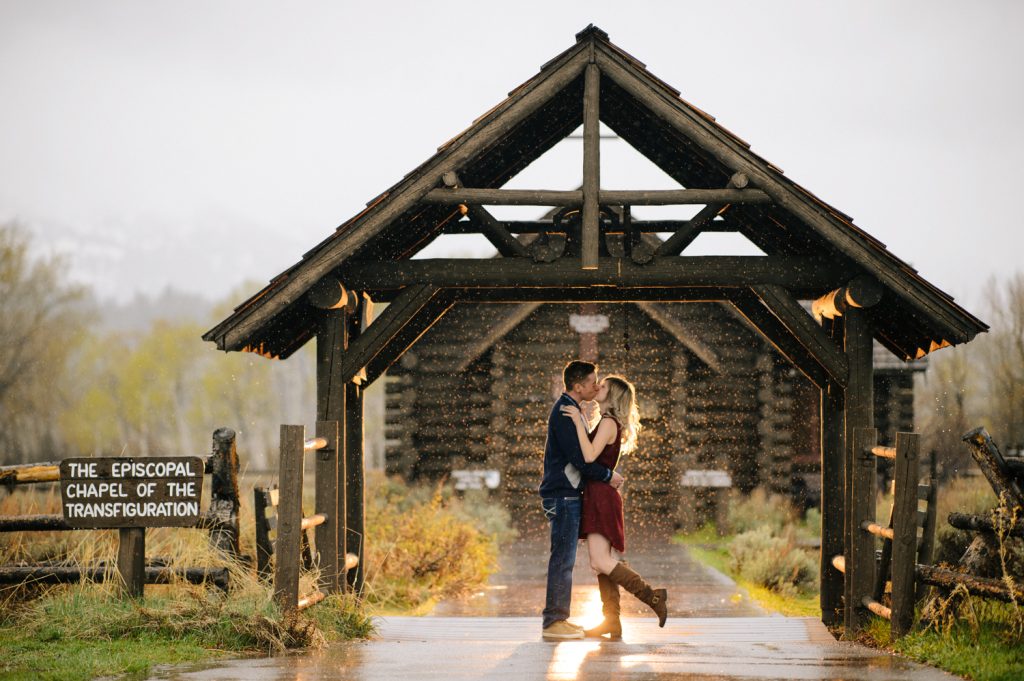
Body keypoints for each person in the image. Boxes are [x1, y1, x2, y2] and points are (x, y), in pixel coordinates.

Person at [560, 374, 668, 638]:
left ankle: (652, 597)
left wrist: (577, 421)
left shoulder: (608, 422)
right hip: (599, 494)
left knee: (600, 560)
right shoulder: (608, 422)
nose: (598, 387)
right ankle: (612, 621)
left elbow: (588, 455)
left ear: (613, 395)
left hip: (600, 496)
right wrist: (584, 422)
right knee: (602, 563)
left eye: (604, 386)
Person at [539, 360, 625, 641]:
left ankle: (559, 619)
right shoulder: (566, 412)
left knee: (565, 558)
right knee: (562, 559)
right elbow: (580, 459)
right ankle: (554, 622)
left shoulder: (573, 409)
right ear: (578, 386)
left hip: (567, 493)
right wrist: (608, 474)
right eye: (592, 382)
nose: (596, 386)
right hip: (563, 494)